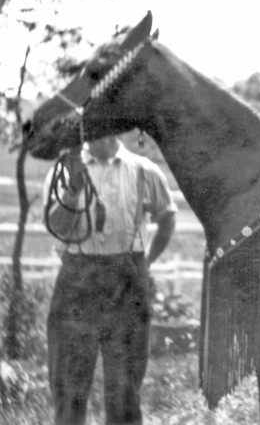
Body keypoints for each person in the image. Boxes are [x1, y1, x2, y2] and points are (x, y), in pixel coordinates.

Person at [42, 135, 177, 425]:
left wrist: (147, 262)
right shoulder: (64, 171)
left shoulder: (143, 169)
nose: (99, 129)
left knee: (125, 389)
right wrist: (73, 190)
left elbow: (167, 217)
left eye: (107, 120)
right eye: (92, 123)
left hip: (128, 279)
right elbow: (57, 229)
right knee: (68, 385)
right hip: (77, 279)